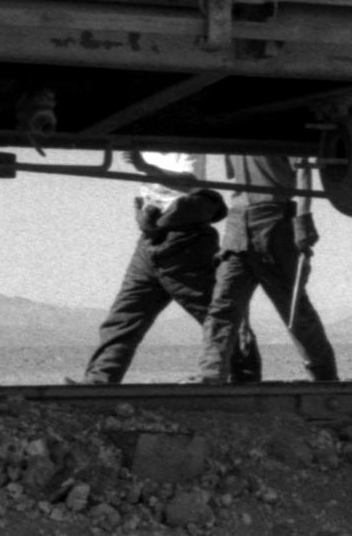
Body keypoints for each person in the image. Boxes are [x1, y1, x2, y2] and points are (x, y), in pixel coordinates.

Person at [78, 170, 261, 385]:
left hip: (185, 242)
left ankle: (245, 380)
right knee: (124, 317)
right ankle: (99, 382)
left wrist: (143, 165)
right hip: (151, 239)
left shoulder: (182, 159)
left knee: (218, 315)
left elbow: (188, 176)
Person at [198, 153, 337, 383]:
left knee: (294, 307)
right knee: (223, 306)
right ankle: (210, 375)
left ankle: (325, 378)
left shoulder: (277, 134)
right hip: (238, 223)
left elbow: (303, 170)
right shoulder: (230, 141)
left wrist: (303, 220)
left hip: (274, 220)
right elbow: (235, 176)